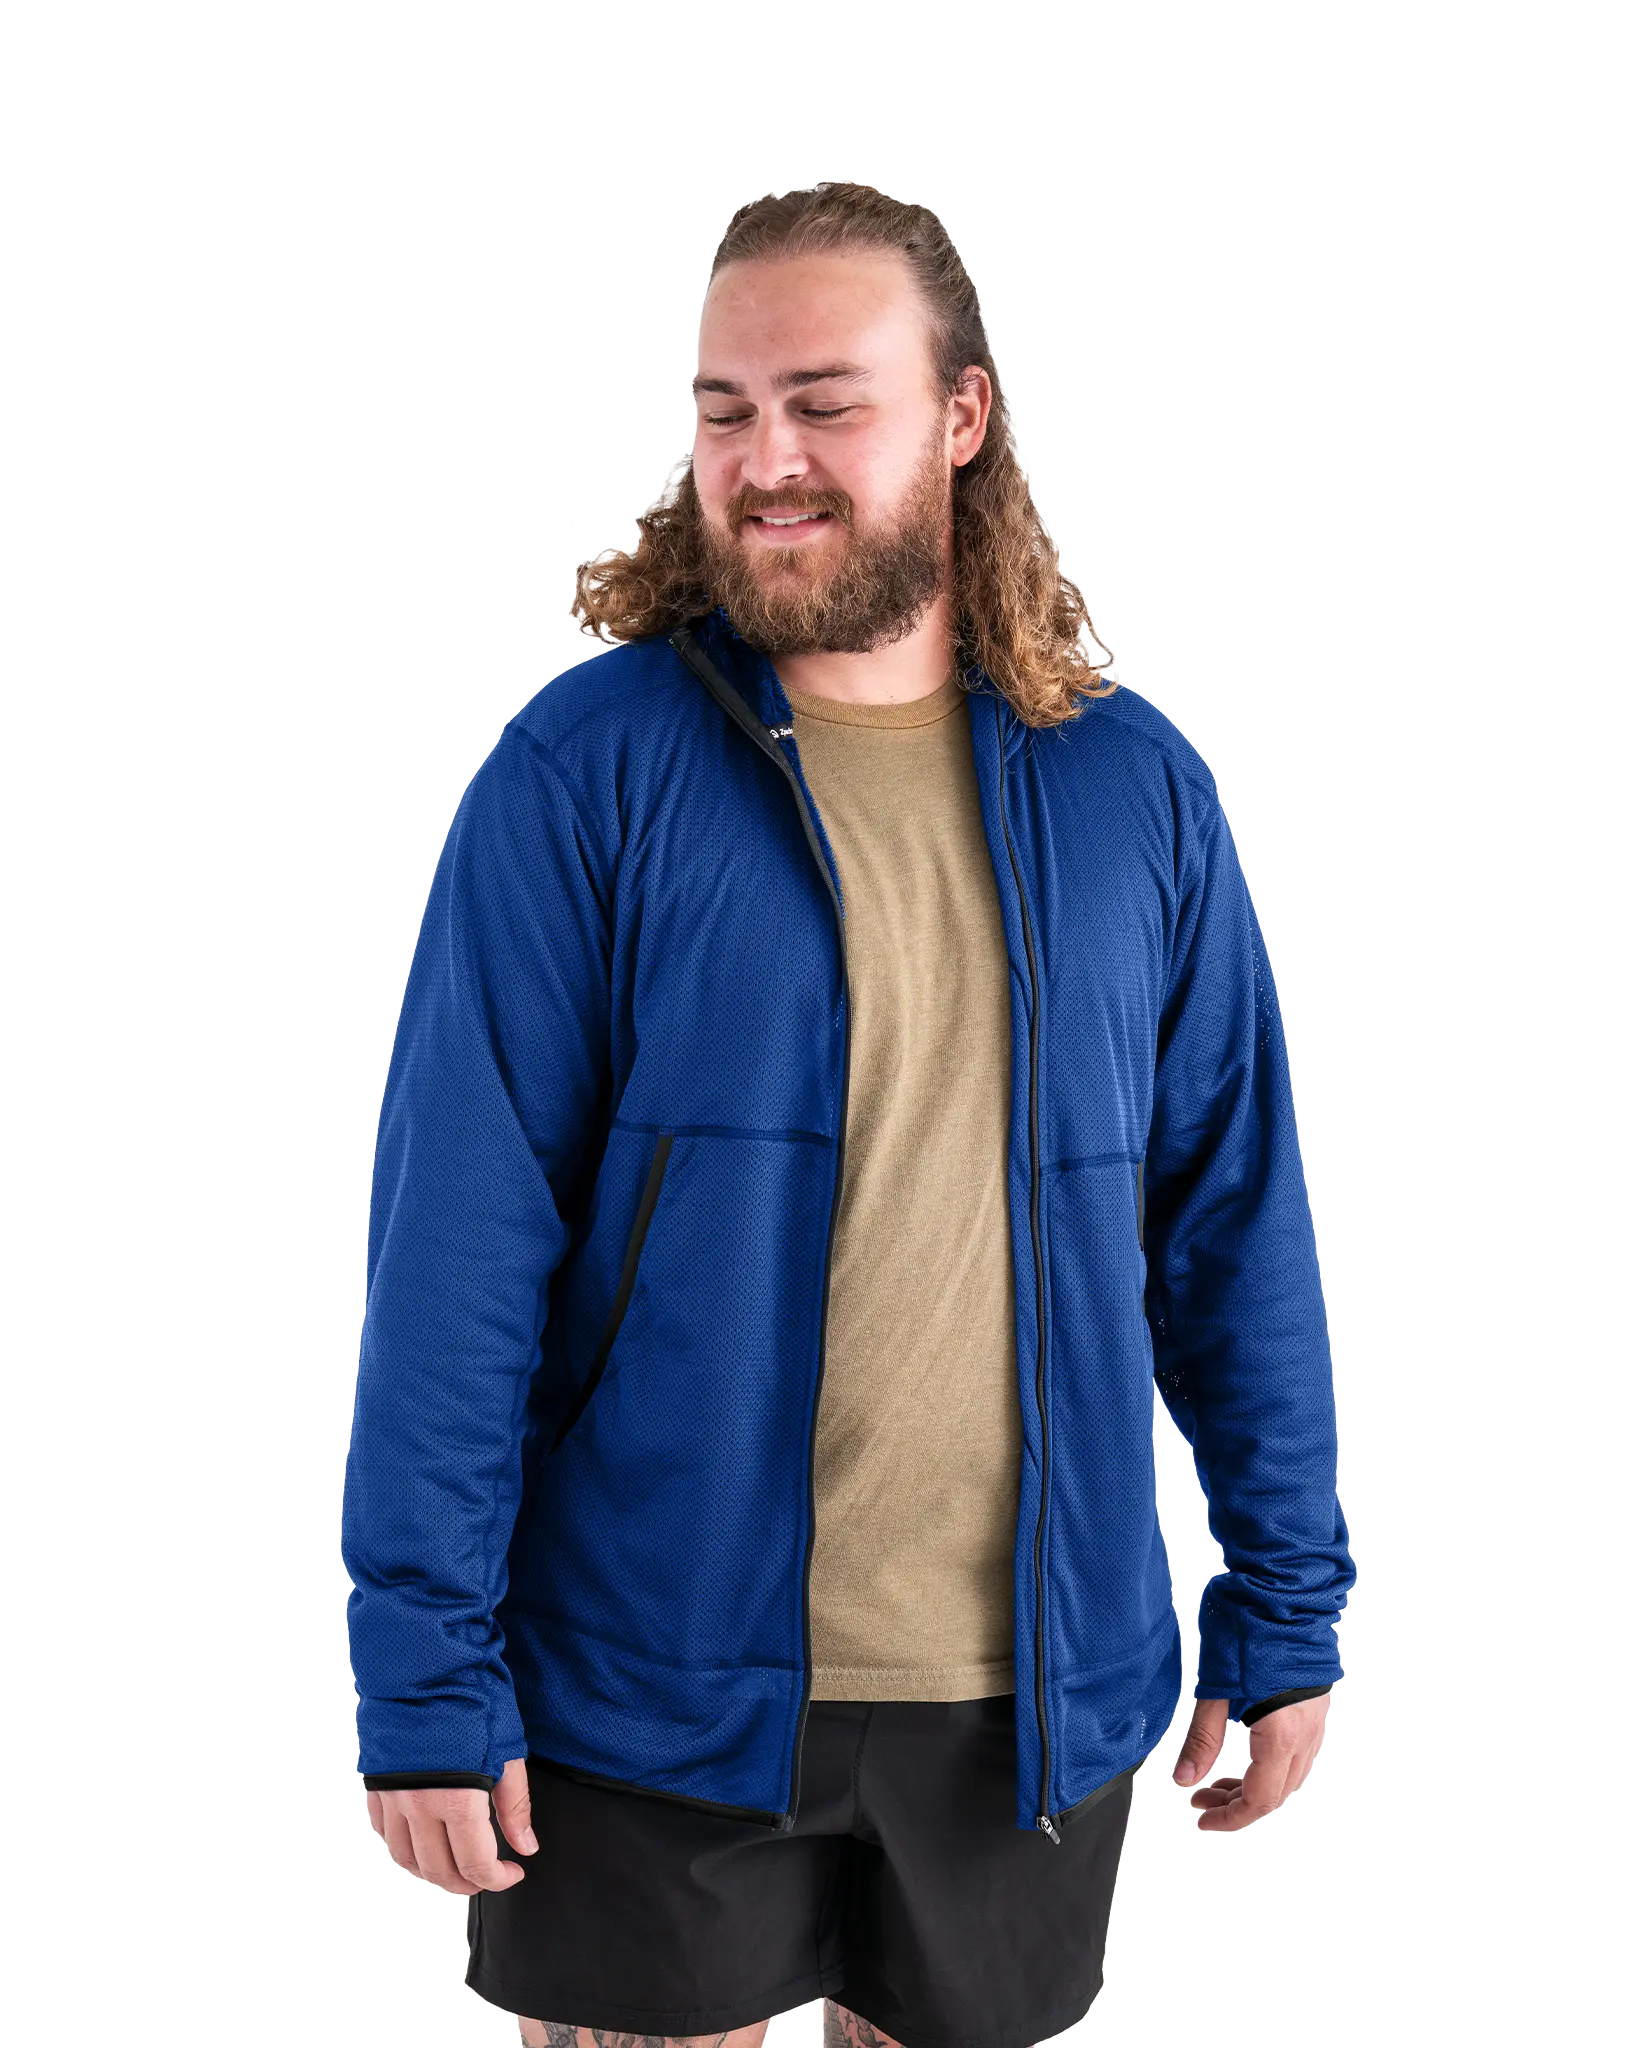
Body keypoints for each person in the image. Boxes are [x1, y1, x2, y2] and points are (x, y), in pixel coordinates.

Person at [340, 178, 1357, 2048]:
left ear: (960, 416)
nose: (766, 461)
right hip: (644, 1683)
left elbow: (1230, 1229)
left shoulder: (1134, 794)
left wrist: (1284, 1605)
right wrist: (420, 1666)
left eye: (824, 404)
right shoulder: (584, 773)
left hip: (1023, 1699)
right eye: (725, 411)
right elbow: (455, 1247)